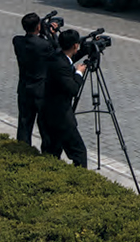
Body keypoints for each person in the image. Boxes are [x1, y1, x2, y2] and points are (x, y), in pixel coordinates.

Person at [42, 29, 88, 167]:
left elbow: (68, 59)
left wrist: (84, 50)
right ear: (75, 45)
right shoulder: (61, 66)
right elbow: (73, 89)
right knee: (79, 152)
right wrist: (79, 73)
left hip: (47, 113)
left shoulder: (56, 57)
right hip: (60, 117)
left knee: (52, 152)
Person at [13, 12, 55, 146]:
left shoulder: (17, 41)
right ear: (38, 27)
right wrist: (50, 33)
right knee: (45, 127)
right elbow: (56, 52)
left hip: (24, 89)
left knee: (24, 125)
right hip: (40, 91)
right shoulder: (44, 45)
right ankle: (48, 154)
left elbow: (32, 40)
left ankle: (22, 150)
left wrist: (40, 30)